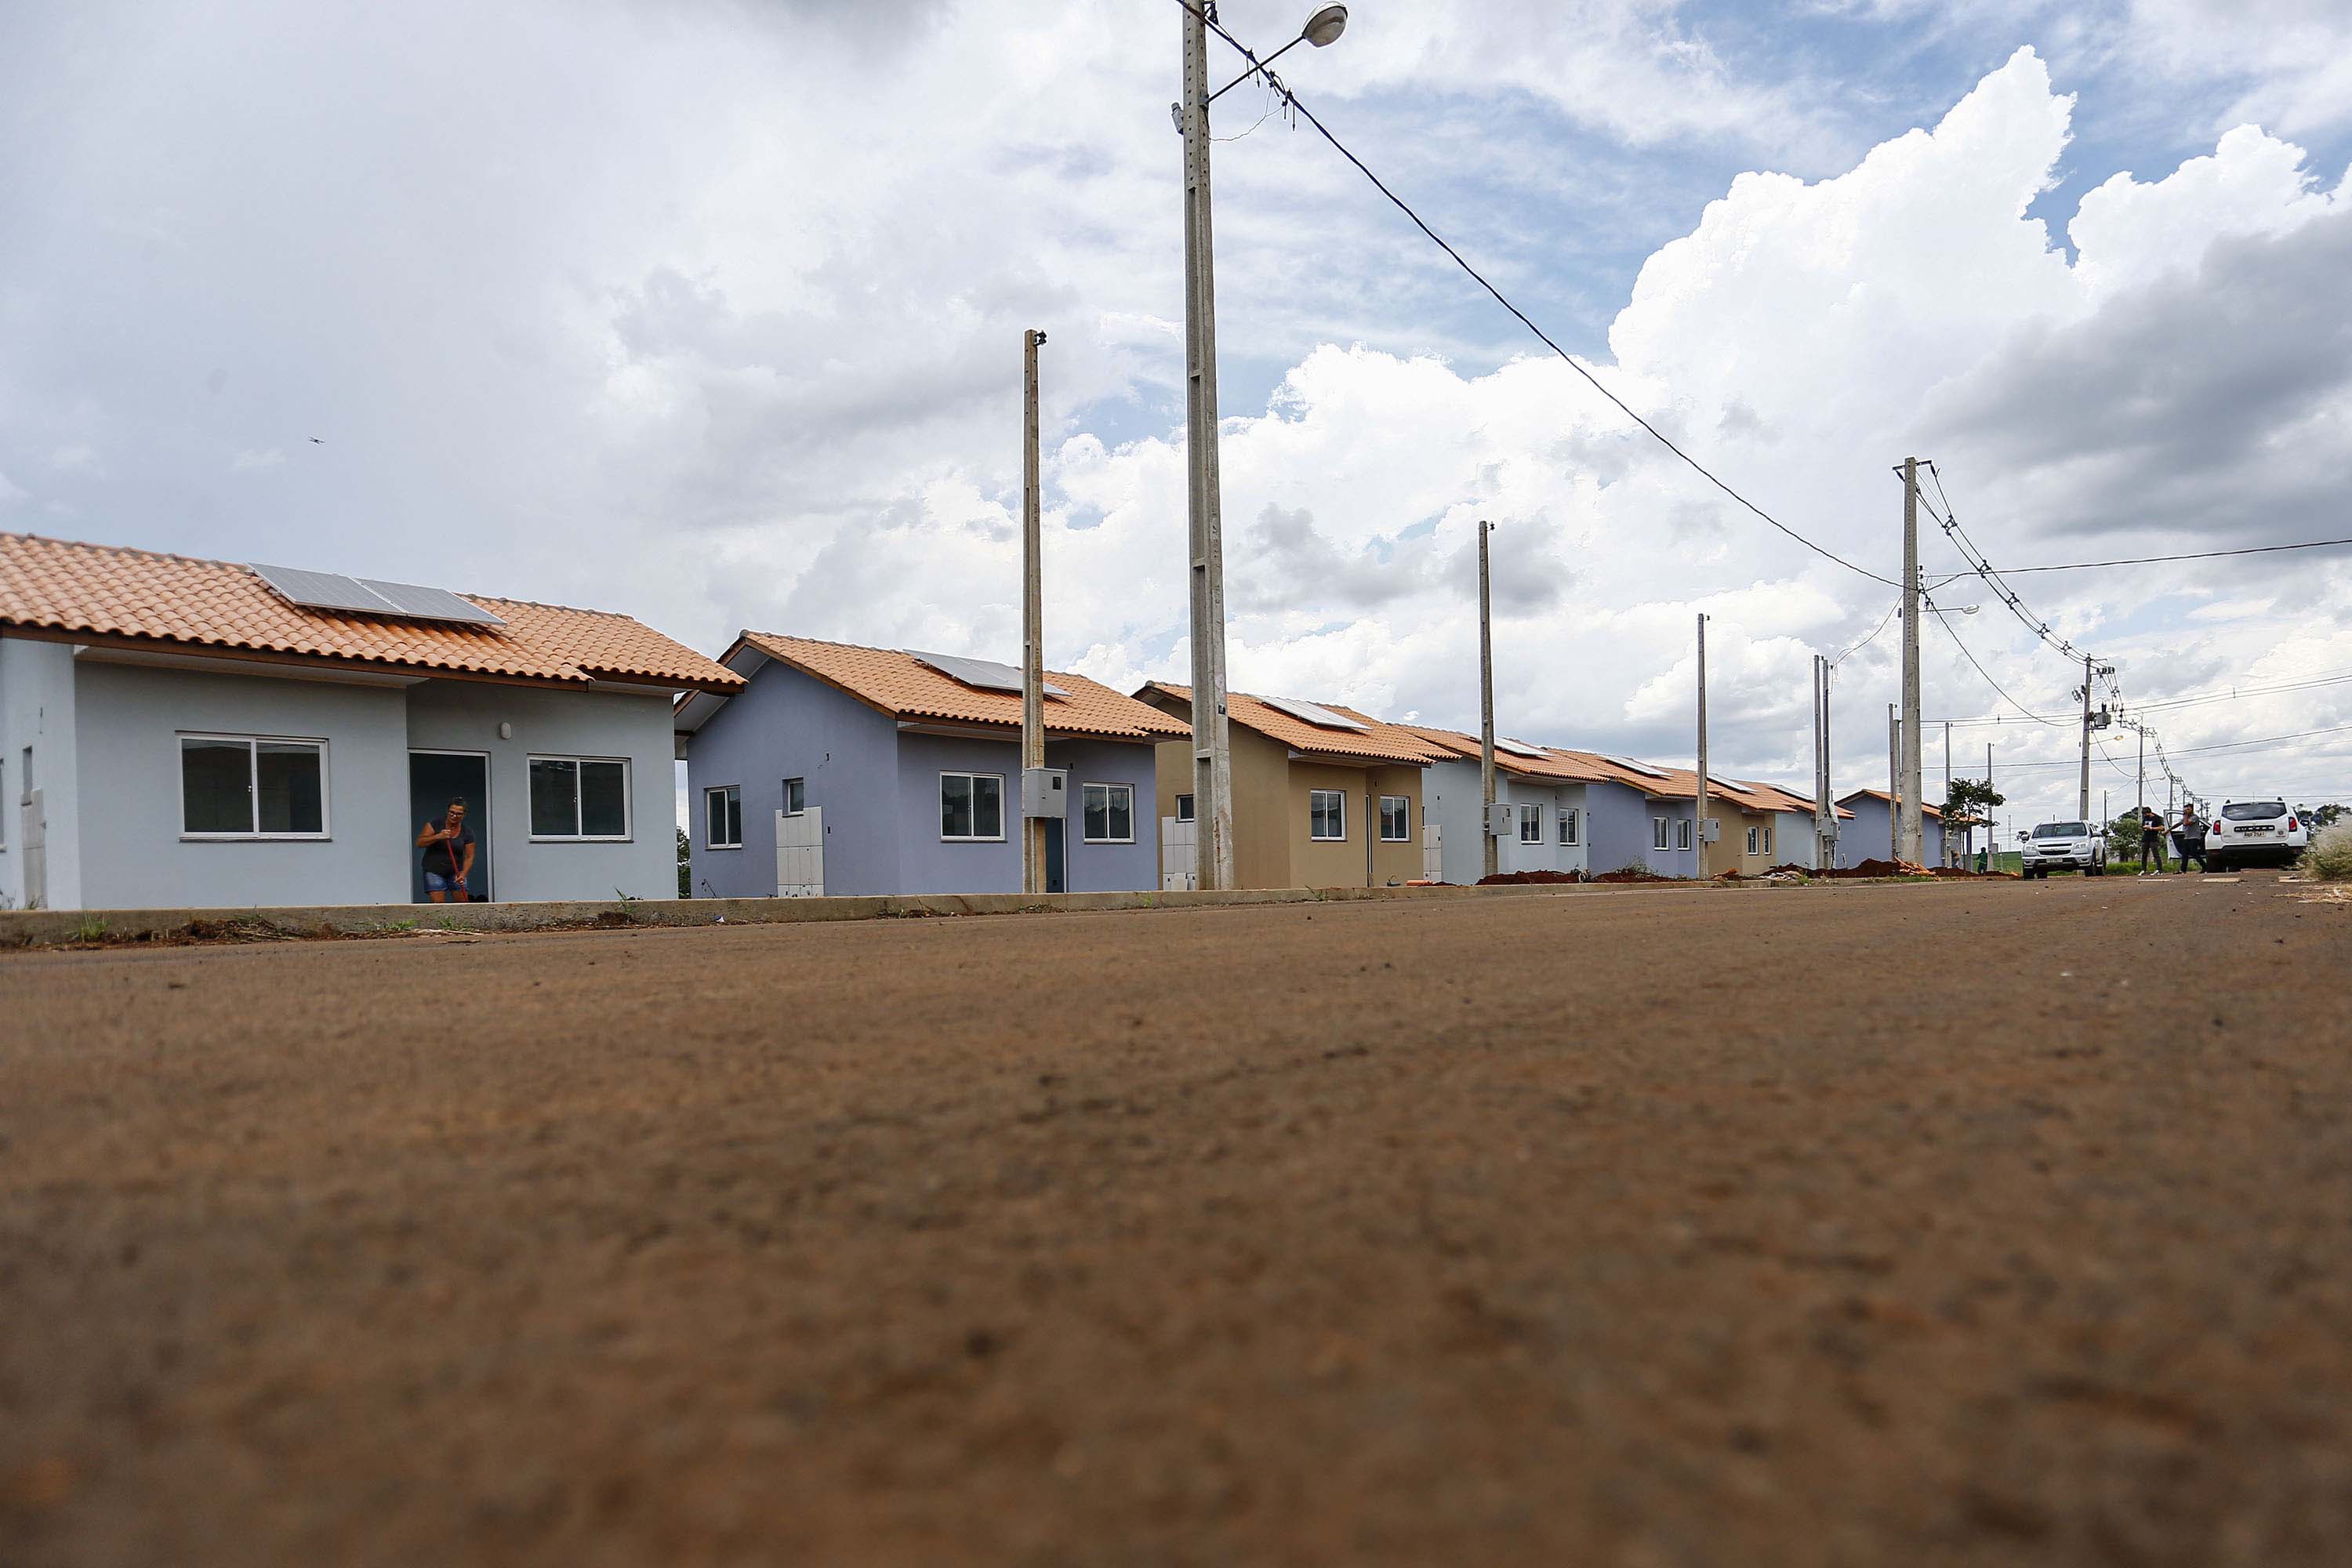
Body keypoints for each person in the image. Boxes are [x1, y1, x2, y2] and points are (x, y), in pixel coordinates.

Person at [417, 797, 476, 902]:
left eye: (458, 814)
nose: (454, 816)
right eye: (452, 812)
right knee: (438, 905)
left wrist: (464, 874)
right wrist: (438, 836)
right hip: (434, 870)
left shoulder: (467, 832)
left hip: (456, 872)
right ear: (447, 811)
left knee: (463, 904)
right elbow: (420, 843)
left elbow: (469, 856)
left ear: (464, 815)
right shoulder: (435, 824)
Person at [2173, 804, 2205, 873]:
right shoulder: (2185, 818)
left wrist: (2186, 815)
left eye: (2188, 809)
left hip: (2194, 838)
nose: (2186, 811)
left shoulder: (2194, 817)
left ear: (2192, 810)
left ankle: (2205, 866)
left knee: (2194, 853)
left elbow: (2186, 823)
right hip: (2186, 838)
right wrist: (2168, 830)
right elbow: (2178, 824)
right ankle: (2183, 870)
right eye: (2185, 810)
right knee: (2184, 854)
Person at [2136, 804, 2167, 874]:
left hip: (2154, 838)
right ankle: (2143, 869)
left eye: (2146, 814)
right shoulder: (2145, 819)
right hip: (2145, 838)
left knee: (2156, 854)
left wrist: (2151, 828)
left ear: (2150, 813)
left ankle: (2159, 869)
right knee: (2144, 854)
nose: (2145, 816)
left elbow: (2162, 828)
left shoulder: (2157, 818)